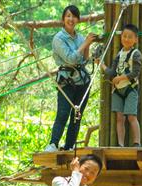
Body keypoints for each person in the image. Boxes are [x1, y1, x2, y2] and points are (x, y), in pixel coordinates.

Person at [45, 5, 97, 153]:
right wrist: (85, 44)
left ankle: (69, 145)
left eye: (74, 16)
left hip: (82, 81)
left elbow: (84, 60)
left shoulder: (80, 37)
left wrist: (87, 45)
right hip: (66, 81)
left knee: (77, 115)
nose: (71, 19)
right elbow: (70, 59)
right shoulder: (59, 39)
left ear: (78, 20)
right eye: (68, 16)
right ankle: (54, 143)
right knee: (63, 112)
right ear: (63, 19)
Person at [99, 23, 142, 147]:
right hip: (118, 90)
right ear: (121, 37)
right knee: (119, 118)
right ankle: (121, 144)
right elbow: (112, 72)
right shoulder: (119, 54)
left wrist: (120, 78)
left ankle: (136, 143)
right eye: (124, 36)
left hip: (130, 89)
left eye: (130, 37)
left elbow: (135, 72)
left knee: (131, 116)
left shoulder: (136, 54)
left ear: (135, 39)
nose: (126, 39)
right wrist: (101, 64)